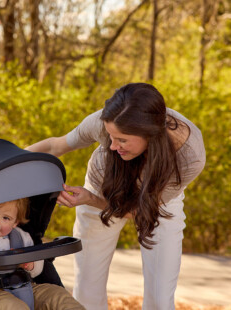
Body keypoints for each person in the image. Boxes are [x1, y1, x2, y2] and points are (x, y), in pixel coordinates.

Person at [26, 82, 206, 310]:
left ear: (149, 135)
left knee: (160, 300)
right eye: (110, 136)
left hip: (156, 204)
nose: (111, 146)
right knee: (87, 292)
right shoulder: (103, 122)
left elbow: (138, 212)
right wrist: (5, 162)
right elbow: (55, 146)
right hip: (101, 189)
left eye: (121, 140)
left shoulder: (189, 155)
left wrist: (89, 199)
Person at [0, 197, 85, 310]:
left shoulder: (22, 237)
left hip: (27, 287)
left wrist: (31, 264)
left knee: (57, 295)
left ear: (15, 223)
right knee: (10, 306)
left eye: (6, 218)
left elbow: (37, 269)